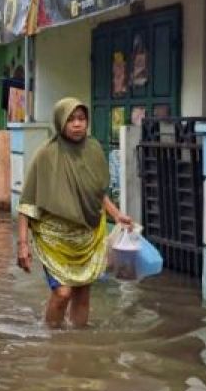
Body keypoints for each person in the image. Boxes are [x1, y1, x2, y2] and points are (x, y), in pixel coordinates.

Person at [16, 97, 132, 328]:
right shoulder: (46, 155)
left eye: (81, 119)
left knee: (82, 294)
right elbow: (27, 203)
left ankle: (77, 345)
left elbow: (97, 192)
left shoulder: (94, 150)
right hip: (55, 238)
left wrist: (117, 215)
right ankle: (52, 340)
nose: (78, 124)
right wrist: (22, 244)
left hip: (87, 235)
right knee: (62, 294)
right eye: (71, 119)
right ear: (60, 122)